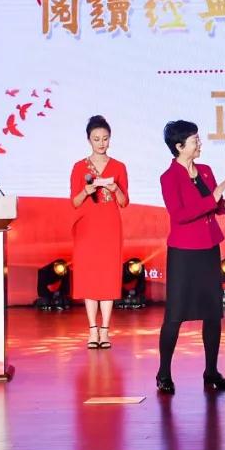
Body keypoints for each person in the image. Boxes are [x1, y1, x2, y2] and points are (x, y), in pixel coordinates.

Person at [156, 120, 225, 395]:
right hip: (183, 252)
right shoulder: (169, 177)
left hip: (208, 248)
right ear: (179, 146)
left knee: (212, 312)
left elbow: (212, 208)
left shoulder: (204, 170)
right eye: (194, 140)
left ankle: (211, 371)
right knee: (175, 314)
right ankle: (164, 372)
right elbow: (180, 214)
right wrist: (213, 199)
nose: (199, 144)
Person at [69, 115, 129, 349]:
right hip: (87, 226)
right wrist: (86, 190)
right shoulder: (79, 167)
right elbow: (75, 202)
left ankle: (105, 330)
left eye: (105, 138)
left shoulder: (119, 167)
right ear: (88, 140)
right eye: (96, 139)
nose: (101, 143)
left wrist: (115, 189)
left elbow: (124, 202)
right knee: (89, 275)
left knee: (108, 275)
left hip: (110, 226)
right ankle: (92, 330)